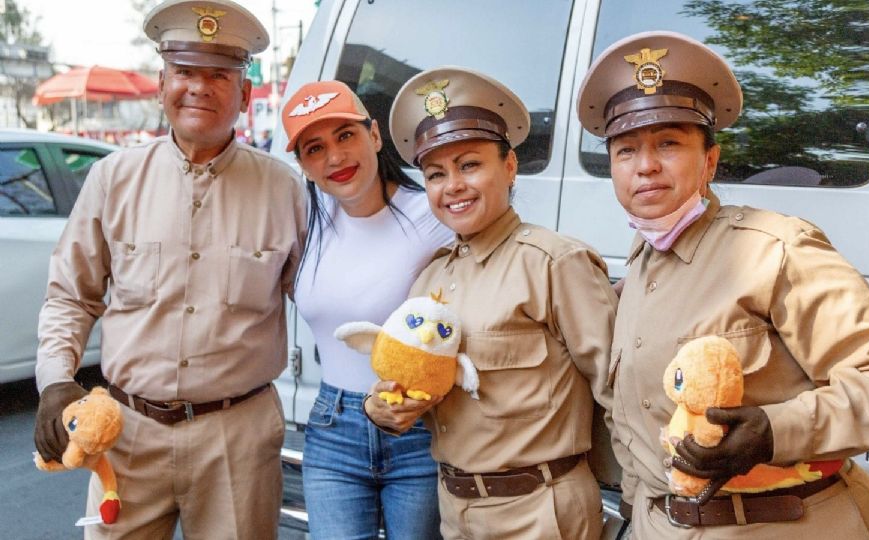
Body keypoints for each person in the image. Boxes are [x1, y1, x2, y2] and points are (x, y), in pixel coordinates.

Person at [576, 31, 869, 538]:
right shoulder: (641, 266)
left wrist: (775, 431)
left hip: (778, 522)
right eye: (625, 150)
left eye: (668, 144)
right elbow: (635, 430)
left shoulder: (774, 248)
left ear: (709, 161)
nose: (645, 166)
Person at [32, 1, 306, 538]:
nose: (199, 88)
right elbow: (72, 294)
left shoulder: (286, 190)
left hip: (238, 439)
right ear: (162, 86)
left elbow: (321, 296)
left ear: (246, 95)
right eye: (185, 72)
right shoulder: (113, 179)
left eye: (218, 75)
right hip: (126, 436)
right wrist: (55, 382)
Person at [363, 66, 630, 540]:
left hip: (540, 513)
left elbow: (619, 389)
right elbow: (416, 386)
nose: (453, 186)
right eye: (436, 174)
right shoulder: (430, 277)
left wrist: (642, 499)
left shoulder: (553, 262)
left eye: (470, 165)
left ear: (508, 168)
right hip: (456, 511)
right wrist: (382, 408)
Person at [279, 80, 451, 540]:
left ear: (374, 136)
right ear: (302, 164)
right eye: (315, 148)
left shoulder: (434, 214)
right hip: (333, 428)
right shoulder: (305, 221)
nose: (335, 158)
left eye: (346, 136)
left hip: (418, 427)